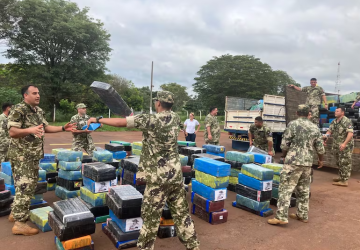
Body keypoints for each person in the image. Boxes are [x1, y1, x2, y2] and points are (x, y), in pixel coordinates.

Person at [86, 91, 200, 250]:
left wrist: (98, 119)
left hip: (157, 178)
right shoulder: (176, 118)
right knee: (182, 217)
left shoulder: (149, 119)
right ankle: (193, 246)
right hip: (175, 175)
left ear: (158, 103)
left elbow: (121, 122)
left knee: (151, 220)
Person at [7, 85, 75, 236]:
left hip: (32, 156)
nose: (38, 96)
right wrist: (30, 130)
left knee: (24, 186)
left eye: (38, 93)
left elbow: (46, 127)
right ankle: (19, 223)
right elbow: (12, 132)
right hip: (21, 156)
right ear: (25, 96)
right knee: (26, 187)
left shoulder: (38, 111)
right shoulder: (19, 110)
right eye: (34, 93)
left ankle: (15, 213)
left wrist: (63, 128)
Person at [268, 105, 325, 225]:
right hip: (307, 163)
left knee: (286, 188)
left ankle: (281, 217)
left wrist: (283, 155)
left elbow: (284, 145)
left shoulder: (293, 124)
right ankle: (302, 214)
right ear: (308, 113)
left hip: (293, 161)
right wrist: (320, 160)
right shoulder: (315, 127)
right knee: (303, 189)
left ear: (297, 112)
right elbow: (320, 148)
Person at [323, 107, 354, 187]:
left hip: (345, 146)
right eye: (335, 111)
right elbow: (329, 131)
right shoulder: (334, 122)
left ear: (342, 113)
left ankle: (344, 180)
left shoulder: (346, 121)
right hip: (337, 145)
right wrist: (325, 138)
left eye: (337, 111)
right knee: (339, 162)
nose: (335, 112)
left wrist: (344, 144)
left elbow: (350, 134)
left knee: (345, 162)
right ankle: (341, 177)